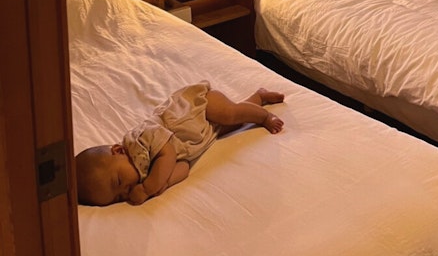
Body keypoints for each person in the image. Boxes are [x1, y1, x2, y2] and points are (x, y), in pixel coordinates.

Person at [76, 81, 285, 206]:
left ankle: (264, 116)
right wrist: (164, 183)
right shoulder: (147, 172)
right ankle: (259, 97)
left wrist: (149, 188)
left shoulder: (138, 140)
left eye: (118, 181)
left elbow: (168, 152)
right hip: (202, 132)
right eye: (118, 197)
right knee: (235, 122)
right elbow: (183, 166)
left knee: (229, 114)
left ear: (118, 150)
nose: (125, 190)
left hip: (198, 108)